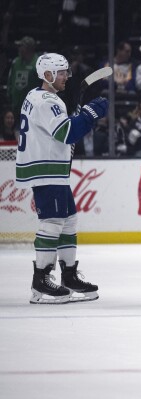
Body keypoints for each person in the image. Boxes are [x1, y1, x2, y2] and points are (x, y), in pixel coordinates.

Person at [15, 53, 108, 304]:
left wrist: (84, 116)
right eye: (62, 72)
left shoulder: (36, 96)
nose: (67, 76)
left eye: (67, 71)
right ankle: (41, 281)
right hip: (46, 169)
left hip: (50, 168)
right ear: (48, 75)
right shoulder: (48, 101)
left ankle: (68, 275)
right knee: (52, 221)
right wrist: (89, 114)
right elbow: (66, 133)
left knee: (68, 220)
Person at [7, 36, 39, 118]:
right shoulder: (16, 62)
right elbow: (10, 80)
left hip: (31, 108)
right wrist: (9, 96)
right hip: (16, 106)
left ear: (28, 48)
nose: (19, 49)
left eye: (21, 46)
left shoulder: (38, 64)